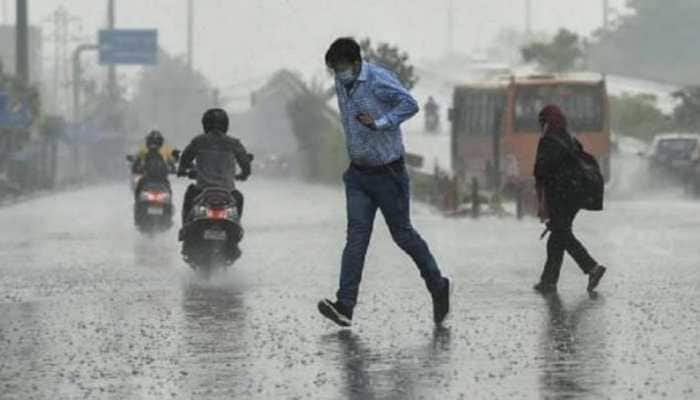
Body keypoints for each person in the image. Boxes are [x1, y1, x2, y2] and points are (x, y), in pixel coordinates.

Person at [317, 37, 451, 328]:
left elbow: (410, 104)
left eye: (341, 68)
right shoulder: (341, 84)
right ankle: (345, 305)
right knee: (356, 238)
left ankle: (438, 285)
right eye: (334, 70)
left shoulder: (378, 79)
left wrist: (380, 122)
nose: (338, 75)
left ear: (355, 63)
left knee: (403, 235)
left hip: (389, 173)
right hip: (358, 175)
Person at [533, 105, 606, 294]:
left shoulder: (548, 141)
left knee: (561, 233)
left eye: (542, 121)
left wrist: (541, 201)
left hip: (560, 195)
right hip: (576, 195)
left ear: (546, 122)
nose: (541, 125)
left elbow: (541, 173)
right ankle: (548, 281)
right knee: (558, 235)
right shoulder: (569, 139)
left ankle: (592, 267)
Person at [177, 108, 251, 228]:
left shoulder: (199, 141)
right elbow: (245, 164)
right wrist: (244, 174)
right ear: (226, 124)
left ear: (205, 124)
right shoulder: (234, 143)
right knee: (239, 198)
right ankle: (236, 229)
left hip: (201, 190)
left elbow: (185, 158)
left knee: (189, 196)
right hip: (228, 191)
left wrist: (182, 169)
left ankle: (185, 229)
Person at [131, 130, 175, 195]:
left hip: (161, 179)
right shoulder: (143, 151)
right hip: (147, 178)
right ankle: (138, 202)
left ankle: (168, 202)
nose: (154, 144)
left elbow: (172, 162)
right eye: (152, 141)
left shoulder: (166, 151)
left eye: (156, 142)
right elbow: (136, 162)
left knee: (168, 189)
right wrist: (137, 168)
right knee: (139, 186)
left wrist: (173, 168)